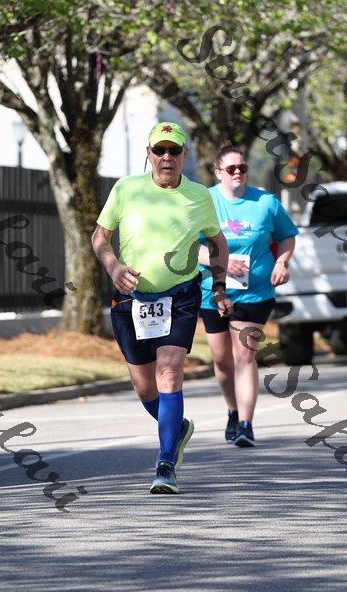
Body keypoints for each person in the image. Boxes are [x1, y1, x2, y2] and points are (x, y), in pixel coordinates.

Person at [92, 122, 232, 494]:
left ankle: (166, 462)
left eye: (173, 150)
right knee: (145, 388)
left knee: (169, 371)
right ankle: (177, 426)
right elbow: (100, 237)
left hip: (180, 296)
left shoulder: (199, 195)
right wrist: (114, 267)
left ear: (184, 155)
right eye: (159, 150)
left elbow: (218, 243)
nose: (166, 157)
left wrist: (219, 286)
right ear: (149, 154)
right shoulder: (126, 189)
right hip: (131, 299)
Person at [198, 142, 298, 447]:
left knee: (244, 354)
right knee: (222, 361)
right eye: (231, 168)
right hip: (213, 292)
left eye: (242, 167)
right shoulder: (204, 201)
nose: (237, 173)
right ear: (218, 172)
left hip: (254, 293)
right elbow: (190, 246)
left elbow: (287, 236)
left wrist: (281, 262)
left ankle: (245, 424)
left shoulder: (265, 202)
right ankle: (232, 410)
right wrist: (222, 262)